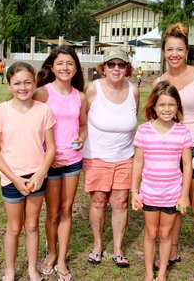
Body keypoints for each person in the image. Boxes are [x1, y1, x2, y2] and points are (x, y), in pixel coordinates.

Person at [153, 23, 194, 281]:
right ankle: (172, 252)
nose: (174, 54)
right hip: (168, 151)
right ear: (163, 52)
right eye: (169, 49)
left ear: (187, 50)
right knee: (172, 206)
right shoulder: (159, 81)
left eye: (179, 49)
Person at [0, 62, 56, 281]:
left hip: (36, 178)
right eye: (17, 83)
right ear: (9, 85)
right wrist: (13, 177)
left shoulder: (43, 110)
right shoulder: (0, 111)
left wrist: (41, 172)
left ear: (35, 83)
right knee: (14, 228)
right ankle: (9, 270)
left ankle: (32, 270)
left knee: (32, 225)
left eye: (28, 82)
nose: (23, 87)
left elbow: (51, 147)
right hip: (11, 179)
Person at [34, 45, 87, 281]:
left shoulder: (80, 96)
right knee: (53, 213)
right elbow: (31, 122)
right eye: (60, 63)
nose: (65, 68)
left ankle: (63, 259)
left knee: (67, 211)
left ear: (76, 68)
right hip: (51, 164)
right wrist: (46, 155)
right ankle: (51, 253)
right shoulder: (43, 93)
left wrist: (81, 137)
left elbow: (83, 125)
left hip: (73, 162)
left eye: (70, 63)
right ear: (52, 67)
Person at [82, 48, 139, 268]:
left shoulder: (133, 91)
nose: (116, 68)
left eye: (121, 65)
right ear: (103, 67)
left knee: (120, 202)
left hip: (125, 157)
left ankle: (118, 249)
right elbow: (81, 120)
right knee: (98, 201)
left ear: (127, 68)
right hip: (96, 156)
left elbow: (132, 121)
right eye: (111, 64)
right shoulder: (92, 89)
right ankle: (97, 246)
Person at [131, 81, 193, 281]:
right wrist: (134, 191)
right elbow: (138, 162)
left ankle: (163, 272)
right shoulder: (144, 131)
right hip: (149, 191)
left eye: (171, 105)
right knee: (150, 233)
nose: (166, 109)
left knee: (166, 234)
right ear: (154, 107)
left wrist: (184, 195)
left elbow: (188, 165)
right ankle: (149, 274)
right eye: (162, 105)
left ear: (177, 107)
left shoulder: (182, 131)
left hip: (172, 193)